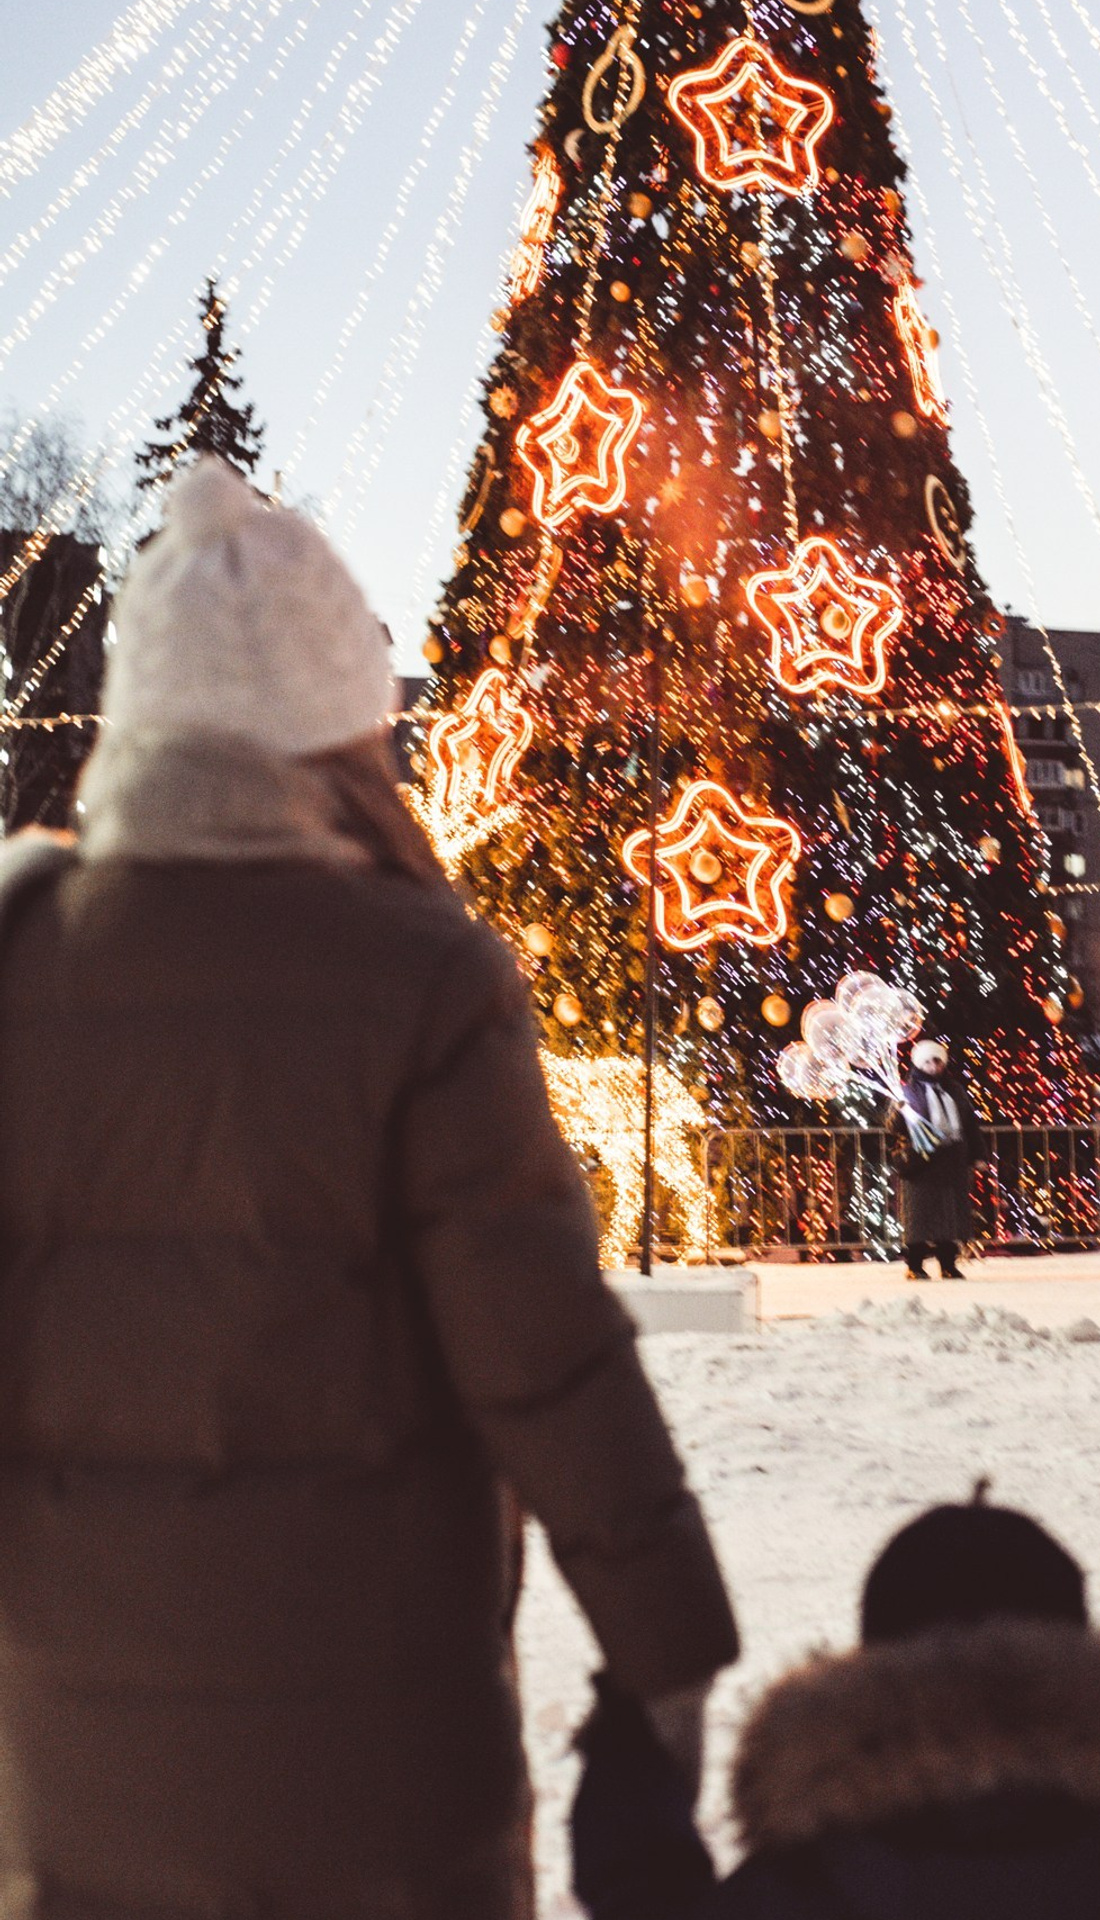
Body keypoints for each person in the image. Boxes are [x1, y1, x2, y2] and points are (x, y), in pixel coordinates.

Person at [0, 458, 738, 1918]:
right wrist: (669, 1642)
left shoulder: (24, 953)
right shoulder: (419, 974)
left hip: (70, 1736)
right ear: (346, 726)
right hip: (376, 1747)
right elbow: (543, 1358)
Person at [571, 1490, 1100, 1920]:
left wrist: (633, 1727)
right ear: (1082, 1667)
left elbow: (640, 1886)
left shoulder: (800, 1893)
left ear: (868, 1679)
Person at [891, 1038, 986, 1279]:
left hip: (952, 1159)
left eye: (937, 1061)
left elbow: (969, 1125)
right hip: (923, 1159)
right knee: (920, 1217)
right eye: (928, 1061)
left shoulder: (954, 1090)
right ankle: (914, 1265)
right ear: (918, 1063)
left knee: (950, 1215)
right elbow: (894, 1126)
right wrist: (898, 1112)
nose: (933, 1066)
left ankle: (948, 1263)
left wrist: (977, 1155)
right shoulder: (908, 1091)